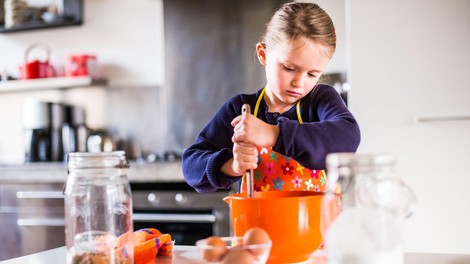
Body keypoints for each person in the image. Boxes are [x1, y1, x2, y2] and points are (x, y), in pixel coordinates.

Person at [182, 2, 360, 193]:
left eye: (312, 74)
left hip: (313, 222)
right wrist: (232, 165)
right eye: (289, 68)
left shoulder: (320, 100)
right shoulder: (241, 110)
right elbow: (191, 165)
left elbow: (349, 137)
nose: (299, 83)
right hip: (256, 223)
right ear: (263, 54)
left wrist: (274, 134)